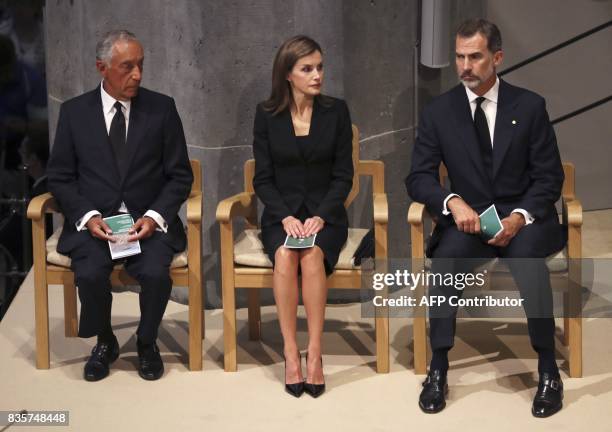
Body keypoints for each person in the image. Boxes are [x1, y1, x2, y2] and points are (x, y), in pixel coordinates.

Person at [406, 18, 566, 417]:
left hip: (522, 218)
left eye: (474, 57)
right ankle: (438, 366)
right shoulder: (440, 112)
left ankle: (548, 368)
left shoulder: (529, 106)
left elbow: (550, 177)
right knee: (445, 262)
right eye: (459, 57)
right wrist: (451, 202)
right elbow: (419, 176)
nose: (465, 66)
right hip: (470, 220)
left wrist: (520, 216)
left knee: (530, 263)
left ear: (496, 57)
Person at [47, 30, 193, 382]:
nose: (138, 75)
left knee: (158, 274)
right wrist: (88, 216)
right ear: (102, 68)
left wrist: (155, 217)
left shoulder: (162, 108)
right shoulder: (74, 112)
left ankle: (146, 342)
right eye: (127, 67)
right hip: (96, 226)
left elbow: (180, 176)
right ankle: (105, 342)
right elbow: (60, 177)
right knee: (90, 274)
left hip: (147, 222)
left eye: (141, 65)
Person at [252, 35, 353, 398]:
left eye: (320, 67)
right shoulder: (266, 115)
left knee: (311, 255)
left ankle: (316, 355)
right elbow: (261, 178)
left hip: (326, 218)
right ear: (288, 74)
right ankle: (291, 353)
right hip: (282, 217)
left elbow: (344, 175)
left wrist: (323, 216)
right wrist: (283, 217)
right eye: (307, 69)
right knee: (284, 254)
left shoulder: (336, 111)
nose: (317, 75)